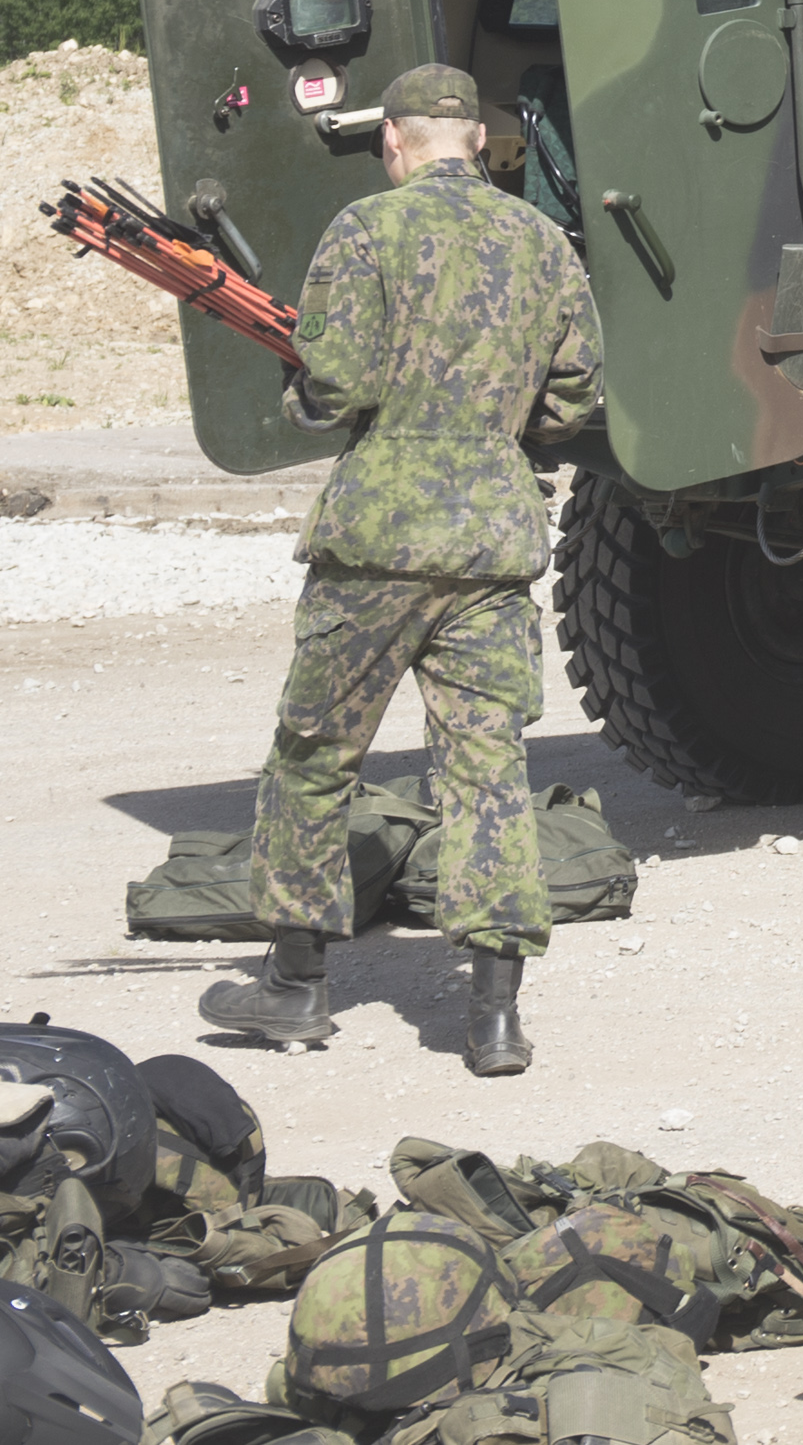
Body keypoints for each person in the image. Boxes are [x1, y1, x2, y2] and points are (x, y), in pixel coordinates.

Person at [199, 63, 604, 1076]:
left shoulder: (364, 230)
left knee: (316, 754)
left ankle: (294, 985)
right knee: (486, 771)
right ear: (477, 141)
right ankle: (495, 1013)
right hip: (492, 545)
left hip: (377, 542)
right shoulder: (542, 242)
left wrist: (300, 388)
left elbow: (338, 384)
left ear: (395, 139)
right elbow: (573, 401)